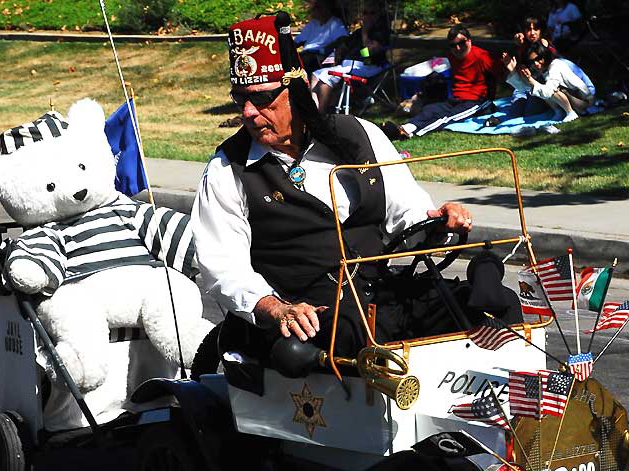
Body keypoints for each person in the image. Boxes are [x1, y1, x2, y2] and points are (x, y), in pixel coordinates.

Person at [191, 12, 480, 360]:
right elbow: (222, 267)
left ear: (296, 92)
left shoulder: (360, 135)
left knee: (483, 299)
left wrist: (438, 220)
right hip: (313, 320)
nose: (250, 112)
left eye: (263, 98)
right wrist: (275, 308)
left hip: (382, 297)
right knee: (353, 334)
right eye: (241, 99)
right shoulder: (228, 169)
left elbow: (407, 213)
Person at [380, 25, 503, 140]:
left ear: (469, 41)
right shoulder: (452, 56)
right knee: (430, 109)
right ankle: (405, 128)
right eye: (453, 45)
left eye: (461, 43)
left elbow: (503, 73)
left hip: (477, 102)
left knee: (446, 118)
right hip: (455, 99)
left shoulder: (483, 56)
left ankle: (409, 133)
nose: (458, 48)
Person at [310, 2, 390, 114]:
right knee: (316, 74)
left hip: (368, 65)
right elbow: (344, 46)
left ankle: (321, 114)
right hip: (347, 64)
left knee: (325, 78)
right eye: (365, 13)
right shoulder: (357, 33)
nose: (368, 16)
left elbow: (368, 52)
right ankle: (313, 111)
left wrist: (365, 32)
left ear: (378, 14)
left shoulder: (381, 32)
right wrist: (337, 53)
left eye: (372, 13)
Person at [504, 41, 595, 122]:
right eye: (532, 61)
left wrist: (531, 80)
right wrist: (513, 71)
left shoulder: (556, 66)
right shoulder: (540, 69)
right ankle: (559, 112)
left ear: (545, 56)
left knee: (550, 89)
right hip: (571, 98)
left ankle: (571, 113)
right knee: (540, 88)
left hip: (584, 102)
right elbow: (525, 89)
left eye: (538, 59)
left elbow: (548, 91)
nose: (536, 63)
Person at [295, 0, 348, 74]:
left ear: (326, 9)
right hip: (306, 54)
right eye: (314, 8)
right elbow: (298, 41)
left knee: (303, 61)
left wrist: (325, 49)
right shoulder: (312, 24)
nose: (313, 10)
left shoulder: (335, 23)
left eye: (317, 7)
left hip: (322, 56)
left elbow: (343, 38)